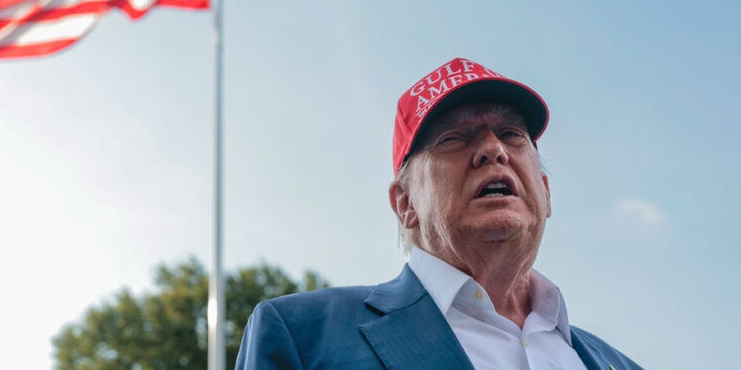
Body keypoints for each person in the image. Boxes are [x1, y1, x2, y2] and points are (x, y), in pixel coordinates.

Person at [235, 58, 642, 370]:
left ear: (546, 193)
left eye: (512, 134)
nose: (493, 150)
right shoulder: (303, 337)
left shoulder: (619, 363)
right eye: (453, 138)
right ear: (406, 204)